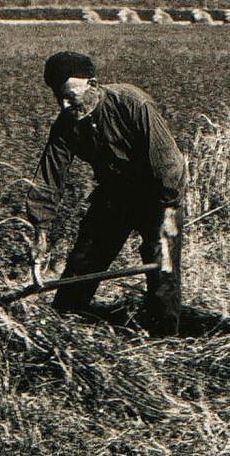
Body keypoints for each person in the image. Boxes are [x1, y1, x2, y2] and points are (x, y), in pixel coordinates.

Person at [26, 51, 187, 336]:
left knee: (162, 268)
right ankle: (63, 329)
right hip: (113, 196)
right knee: (82, 263)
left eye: (70, 96)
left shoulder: (132, 103)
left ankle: (166, 341)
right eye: (58, 98)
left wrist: (165, 220)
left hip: (156, 194)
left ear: (93, 84)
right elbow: (48, 179)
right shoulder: (66, 126)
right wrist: (40, 232)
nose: (64, 105)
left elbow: (169, 165)